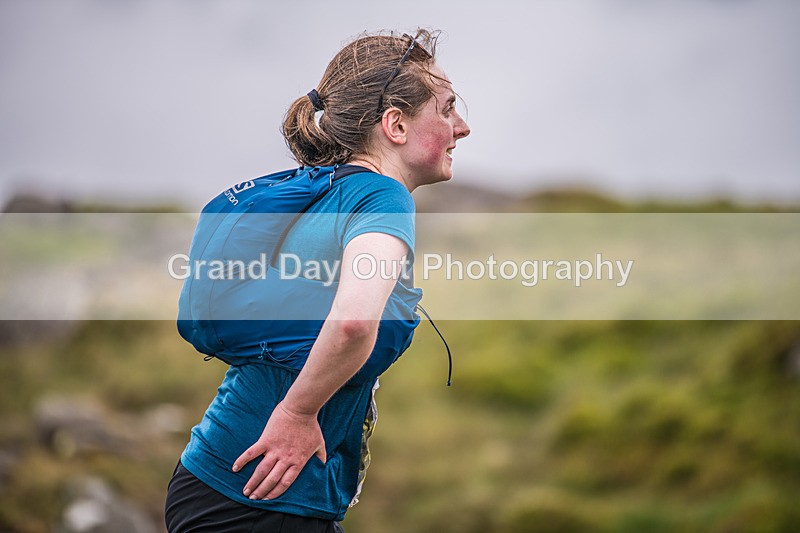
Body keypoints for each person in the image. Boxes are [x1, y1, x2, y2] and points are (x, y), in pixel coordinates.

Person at [165, 28, 470, 532]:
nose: (462, 127)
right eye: (448, 108)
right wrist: (298, 414)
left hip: (224, 480)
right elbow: (353, 321)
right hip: (260, 498)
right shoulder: (383, 199)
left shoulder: (323, 194)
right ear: (395, 124)